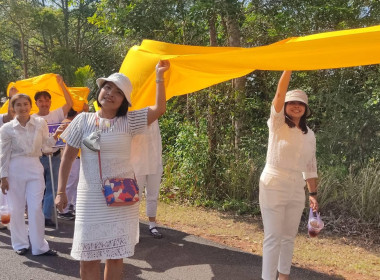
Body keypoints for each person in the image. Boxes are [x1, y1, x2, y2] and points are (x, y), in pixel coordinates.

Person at [55, 60, 170, 280]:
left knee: (115, 257)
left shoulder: (129, 120)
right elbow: (68, 157)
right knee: (88, 258)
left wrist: (159, 76)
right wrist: (61, 192)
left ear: (124, 100)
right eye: (107, 87)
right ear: (101, 90)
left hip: (121, 198)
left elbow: (159, 109)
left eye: (118, 92)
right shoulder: (83, 120)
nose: (110, 93)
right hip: (90, 199)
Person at [259, 70, 319, 280]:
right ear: (285, 106)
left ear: (306, 109)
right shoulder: (277, 124)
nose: (296, 106)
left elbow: (310, 166)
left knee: (288, 236)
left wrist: (313, 194)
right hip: (273, 181)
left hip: (296, 186)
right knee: (273, 236)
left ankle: (283, 276)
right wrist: (288, 66)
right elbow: (278, 95)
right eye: (292, 102)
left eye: (301, 104)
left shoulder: (309, 134)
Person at [0, 94, 63, 256]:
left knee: (35, 208)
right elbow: (3, 154)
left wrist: (56, 136)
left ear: (30, 106)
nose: (23, 108)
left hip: (35, 167)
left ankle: (39, 246)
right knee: (17, 208)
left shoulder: (40, 123)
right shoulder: (6, 128)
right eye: (18, 105)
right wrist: (3, 177)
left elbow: (46, 147)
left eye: (25, 104)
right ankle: (20, 243)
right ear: (13, 108)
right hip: (15, 169)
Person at [33, 75, 73, 227]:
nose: (44, 103)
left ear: (50, 102)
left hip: (55, 157)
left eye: (46, 100)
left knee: (52, 187)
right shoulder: (32, 118)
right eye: (40, 101)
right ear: (36, 103)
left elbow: (70, 103)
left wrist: (61, 84)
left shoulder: (56, 113)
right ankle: (35, 214)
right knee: (37, 188)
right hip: (38, 158)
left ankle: (46, 216)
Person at [131, 120, 164, 238]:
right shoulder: (135, 119)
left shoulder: (155, 120)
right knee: (136, 196)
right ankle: (133, 227)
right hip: (138, 164)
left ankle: (152, 225)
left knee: (153, 195)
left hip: (155, 163)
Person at [0, 86, 18, 230]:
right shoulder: (2, 121)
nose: (14, 111)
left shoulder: (20, 125)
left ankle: (7, 220)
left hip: (11, 165)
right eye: (12, 107)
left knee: (6, 193)